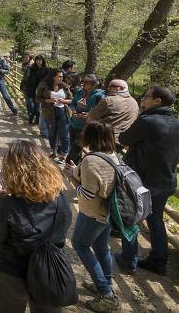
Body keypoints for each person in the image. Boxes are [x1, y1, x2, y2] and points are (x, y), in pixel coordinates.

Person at [0, 139, 72, 313]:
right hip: (49, 271)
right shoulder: (61, 200)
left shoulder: (7, 204)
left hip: (11, 273)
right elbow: (62, 231)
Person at [116, 86, 179, 275]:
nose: (142, 100)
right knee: (156, 220)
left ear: (157, 101)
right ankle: (158, 261)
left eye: (146, 97)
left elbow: (124, 138)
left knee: (129, 217)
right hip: (166, 181)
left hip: (143, 181)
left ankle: (128, 259)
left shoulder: (148, 121)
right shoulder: (177, 123)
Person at [65, 122, 120, 312]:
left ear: (90, 138)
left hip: (93, 213)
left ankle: (106, 294)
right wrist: (76, 171)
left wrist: (72, 178)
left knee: (80, 245)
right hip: (108, 212)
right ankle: (106, 283)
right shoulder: (113, 156)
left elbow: (87, 193)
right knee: (101, 247)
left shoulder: (90, 160)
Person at [36, 69, 72, 164]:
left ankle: (63, 155)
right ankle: (54, 152)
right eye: (59, 76)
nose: (61, 78)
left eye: (62, 76)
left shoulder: (64, 85)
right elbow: (37, 98)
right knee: (52, 133)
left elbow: (71, 99)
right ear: (53, 77)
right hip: (49, 113)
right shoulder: (43, 85)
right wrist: (47, 100)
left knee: (64, 134)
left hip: (63, 112)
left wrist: (63, 101)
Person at [68, 75, 105, 164]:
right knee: (73, 147)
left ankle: (69, 165)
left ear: (93, 84)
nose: (82, 83)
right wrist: (73, 110)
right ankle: (76, 167)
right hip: (73, 124)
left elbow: (101, 112)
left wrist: (88, 115)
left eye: (85, 82)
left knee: (76, 148)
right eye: (83, 81)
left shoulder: (100, 96)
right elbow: (73, 103)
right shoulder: (80, 91)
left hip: (86, 127)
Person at [25, 55, 49, 129]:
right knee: (30, 104)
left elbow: (46, 80)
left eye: (40, 60)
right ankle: (32, 117)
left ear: (42, 61)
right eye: (37, 60)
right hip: (30, 89)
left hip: (39, 90)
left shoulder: (46, 70)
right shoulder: (32, 68)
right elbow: (27, 77)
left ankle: (35, 120)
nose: (38, 61)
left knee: (37, 106)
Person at [20, 54, 34, 120]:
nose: (25, 58)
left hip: (31, 85)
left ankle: (31, 115)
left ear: (30, 58)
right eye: (24, 57)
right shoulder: (25, 64)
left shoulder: (33, 65)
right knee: (27, 101)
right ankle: (30, 114)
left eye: (26, 57)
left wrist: (30, 64)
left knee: (29, 101)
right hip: (25, 84)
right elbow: (23, 70)